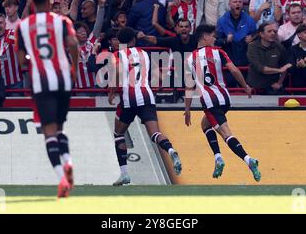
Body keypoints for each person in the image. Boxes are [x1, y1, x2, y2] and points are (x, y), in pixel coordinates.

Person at [16, 0, 79, 198]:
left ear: (32, 3)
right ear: (51, 1)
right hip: (63, 79)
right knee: (60, 129)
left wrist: (30, 60)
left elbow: (21, 59)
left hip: (40, 82)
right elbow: (73, 44)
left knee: (49, 132)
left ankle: (62, 176)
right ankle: (68, 161)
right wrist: (74, 67)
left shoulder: (23, 26)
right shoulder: (61, 21)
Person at [184, 24, 261, 181]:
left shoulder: (189, 58)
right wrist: (245, 86)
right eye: (213, 36)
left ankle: (249, 160)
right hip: (224, 99)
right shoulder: (219, 52)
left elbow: (189, 85)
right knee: (205, 125)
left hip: (209, 101)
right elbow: (233, 70)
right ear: (205, 37)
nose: (214, 38)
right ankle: (218, 157)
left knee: (226, 133)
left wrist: (187, 108)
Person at [107, 27, 182, 186]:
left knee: (118, 133)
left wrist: (112, 92)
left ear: (120, 41)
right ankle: (170, 150)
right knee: (155, 133)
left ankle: (125, 173)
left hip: (129, 98)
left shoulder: (117, 55)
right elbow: (157, 75)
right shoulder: (145, 54)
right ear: (134, 40)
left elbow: (118, 74)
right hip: (147, 96)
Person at [247, 22, 291, 94]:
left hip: (273, 88)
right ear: (261, 34)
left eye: (274, 31)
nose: (273, 33)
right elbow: (260, 68)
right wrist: (279, 70)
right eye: (269, 31)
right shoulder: (252, 46)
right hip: (255, 88)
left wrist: (279, 83)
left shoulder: (279, 46)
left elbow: (285, 66)